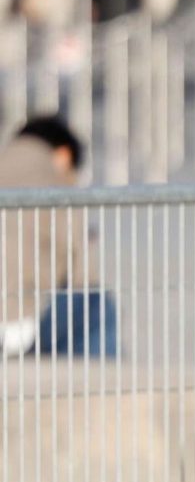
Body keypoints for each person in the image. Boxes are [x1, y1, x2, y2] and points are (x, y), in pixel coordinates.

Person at [0, 115, 115, 357]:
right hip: (18, 322)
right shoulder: (54, 183)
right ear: (63, 155)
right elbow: (81, 267)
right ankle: (102, 384)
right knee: (96, 305)